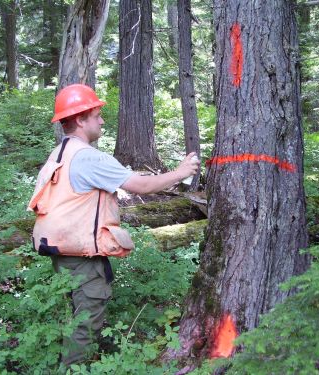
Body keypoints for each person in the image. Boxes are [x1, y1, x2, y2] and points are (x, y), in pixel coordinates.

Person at [27, 83, 199, 367]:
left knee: (78, 318)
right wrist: (180, 173)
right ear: (81, 119)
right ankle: (75, 370)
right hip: (82, 258)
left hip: (64, 254)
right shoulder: (88, 157)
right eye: (97, 114)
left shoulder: (60, 154)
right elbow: (141, 186)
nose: (102, 120)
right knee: (85, 326)